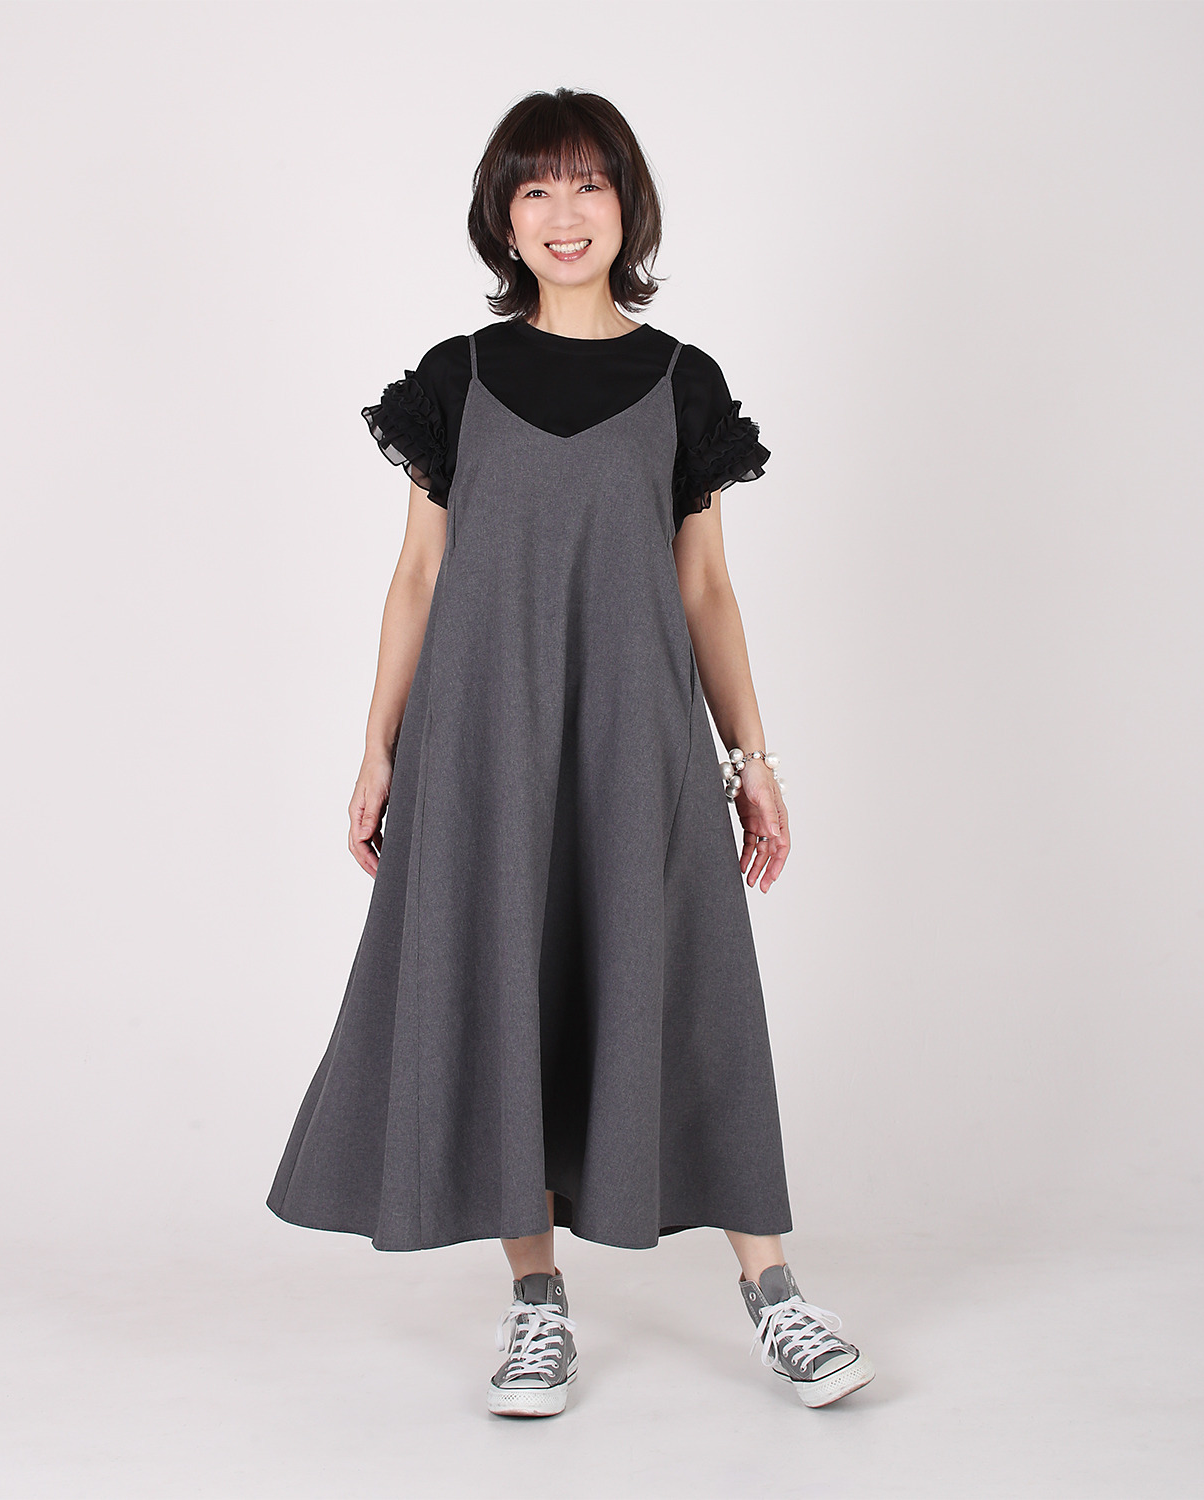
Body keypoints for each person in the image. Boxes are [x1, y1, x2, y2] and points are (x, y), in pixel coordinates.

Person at [267, 87, 874, 1418]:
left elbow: (705, 588)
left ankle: (775, 1292)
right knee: (505, 988)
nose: (562, 212)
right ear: (502, 216)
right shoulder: (455, 380)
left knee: (693, 988)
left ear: (628, 207)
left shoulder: (682, 382)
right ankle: (537, 1305)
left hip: (637, 742)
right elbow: (418, 575)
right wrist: (376, 748)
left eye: (588, 184)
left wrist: (752, 761)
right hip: (480, 745)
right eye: (533, 187)